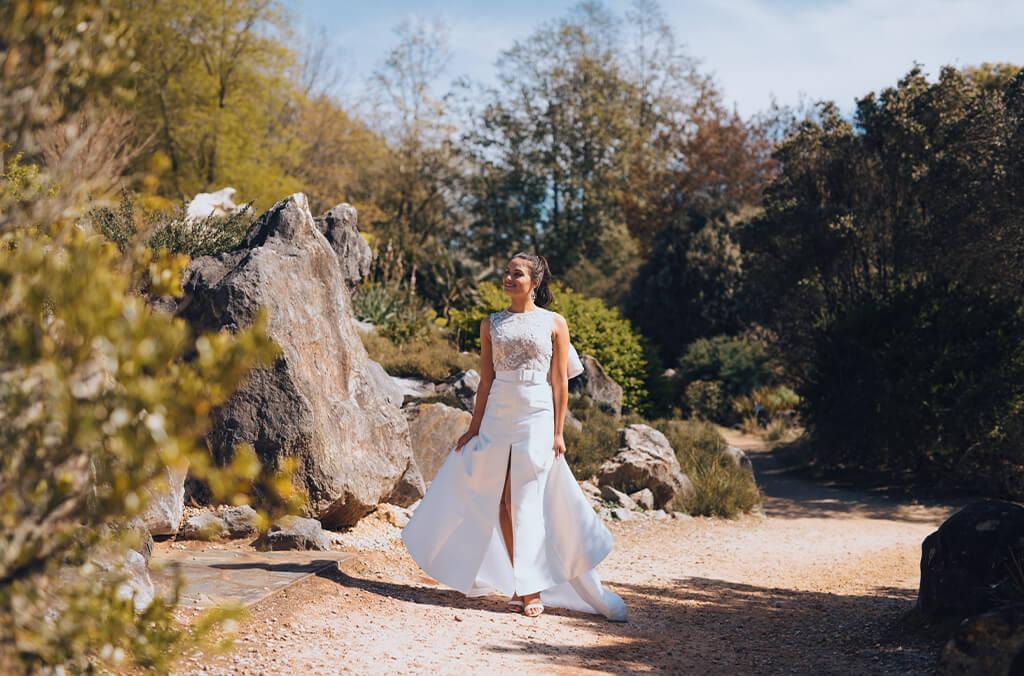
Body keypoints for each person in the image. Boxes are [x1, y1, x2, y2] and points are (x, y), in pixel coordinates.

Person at [401, 253, 628, 622]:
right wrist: (474, 428)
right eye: (506, 272)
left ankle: (531, 588)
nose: (508, 278)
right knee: (502, 500)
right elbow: (486, 380)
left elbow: (559, 382)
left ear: (534, 282)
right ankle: (520, 584)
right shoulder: (491, 324)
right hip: (497, 414)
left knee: (527, 500)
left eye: (516, 273)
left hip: (537, 414)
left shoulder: (554, 323)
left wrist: (558, 431)